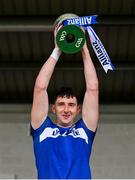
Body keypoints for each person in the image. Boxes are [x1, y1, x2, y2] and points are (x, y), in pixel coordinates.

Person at [30, 26, 99, 179]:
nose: (66, 109)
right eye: (61, 104)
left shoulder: (84, 130)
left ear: (78, 109)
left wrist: (84, 48)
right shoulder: (42, 129)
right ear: (53, 109)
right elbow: (40, 87)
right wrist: (57, 50)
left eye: (71, 105)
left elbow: (93, 89)